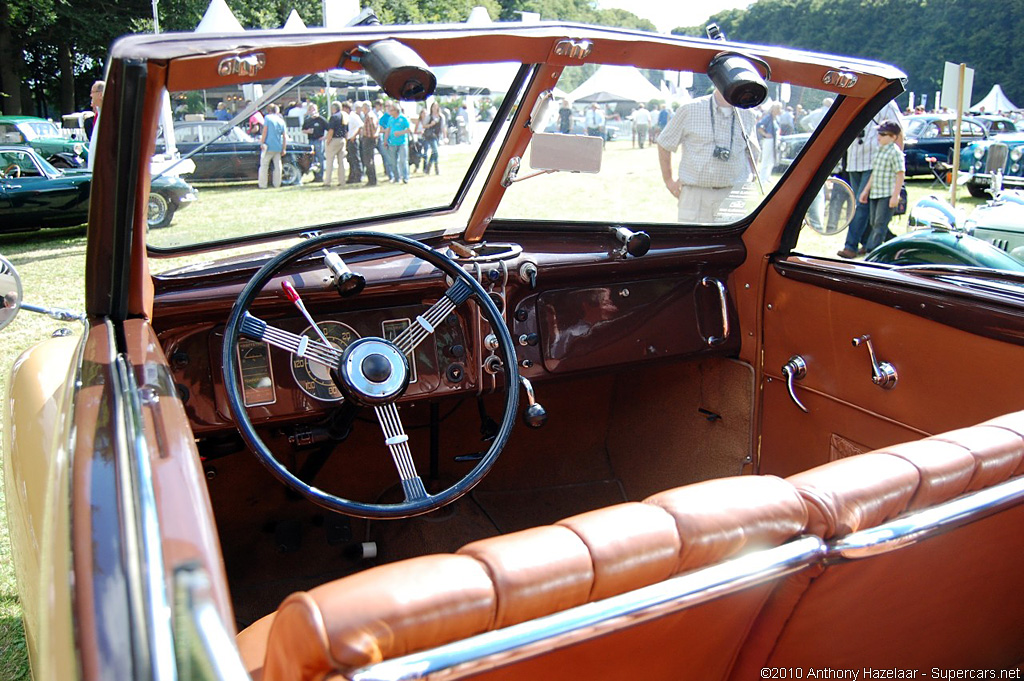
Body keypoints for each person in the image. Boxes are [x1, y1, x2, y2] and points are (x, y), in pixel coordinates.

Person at [657, 87, 760, 223]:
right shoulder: (690, 109)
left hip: (732, 197)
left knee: (729, 244)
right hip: (695, 196)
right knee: (693, 243)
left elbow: (753, 151)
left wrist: (750, 176)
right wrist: (669, 181)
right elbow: (664, 143)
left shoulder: (748, 114)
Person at [837, 99, 904, 258]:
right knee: (863, 205)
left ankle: (850, 246)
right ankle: (872, 243)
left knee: (861, 206)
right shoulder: (853, 101)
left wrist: (897, 158)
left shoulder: (887, 104)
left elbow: (899, 132)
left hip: (873, 162)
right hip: (854, 161)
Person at [858, 120, 905, 252]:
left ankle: (872, 250)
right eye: (879, 133)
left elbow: (900, 174)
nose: (879, 137)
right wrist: (866, 190)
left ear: (893, 137)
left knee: (880, 224)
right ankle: (896, 244)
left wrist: (895, 196)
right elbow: (875, 172)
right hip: (876, 192)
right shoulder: (880, 150)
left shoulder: (895, 153)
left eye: (883, 134)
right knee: (874, 222)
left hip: (887, 194)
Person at [258, 103, 287, 189]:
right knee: (277, 166)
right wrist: (284, 148)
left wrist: (262, 142)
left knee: (264, 165)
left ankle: (263, 184)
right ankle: (277, 183)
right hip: (278, 146)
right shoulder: (281, 121)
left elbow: (265, 131)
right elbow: (284, 136)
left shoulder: (267, 118)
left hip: (268, 145)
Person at [322, 101, 347, 187]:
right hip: (342, 139)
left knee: (330, 161)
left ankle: (327, 181)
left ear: (333, 108)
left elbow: (331, 130)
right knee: (341, 162)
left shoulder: (334, 117)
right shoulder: (344, 116)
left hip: (334, 139)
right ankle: (342, 180)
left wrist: (328, 140)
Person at [756, 102, 782, 183]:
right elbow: (759, 126)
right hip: (768, 141)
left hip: (774, 141)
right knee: (766, 159)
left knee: (771, 160)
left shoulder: (776, 119)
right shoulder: (768, 118)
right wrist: (765, 134)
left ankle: (767, 177)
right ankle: (762, 178)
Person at [386, 102, 411, 184]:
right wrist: (385, 140)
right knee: (393, 161)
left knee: (403, 160)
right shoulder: (390, 119)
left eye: (391, 110)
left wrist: (400, 133)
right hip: (392, 143)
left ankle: (405, 177)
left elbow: (409, 130)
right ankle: (397, 178)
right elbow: (388, 129)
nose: (390, 112)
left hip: (402, 142)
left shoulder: (403, 118)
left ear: (396, 110)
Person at [301, 102, 327, 183]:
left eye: (314, 109)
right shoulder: (308, 120)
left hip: (318, 141)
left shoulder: (321, 119)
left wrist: (324, 137)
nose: (313, 111)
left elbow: (330, 129)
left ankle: (320, 176)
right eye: (311, 109)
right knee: (313, 159)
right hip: (311, 140)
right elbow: (303, 130)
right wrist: (307, 131)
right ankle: (315, 176)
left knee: (320, 158)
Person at [359, 102, 378, 186]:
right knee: (368, 159)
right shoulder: (370, 115)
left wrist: (373, 136)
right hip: (368, 138)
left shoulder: (369, 116)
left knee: (368, 160)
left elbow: (374, 127)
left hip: (369, 139)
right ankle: (371, 179)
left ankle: (372, 180)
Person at [87, 80, 104, 171]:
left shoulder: (108, 116)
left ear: (101, 95)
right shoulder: (99, 113)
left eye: (92, 92)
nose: (90, 95)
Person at [422, 101, 443, 174]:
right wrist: (431, 124)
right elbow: (424, 126)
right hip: (430, 136)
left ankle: (428, 168)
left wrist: (445, 136)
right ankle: (437, 169)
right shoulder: (429, 116)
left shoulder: (441, 117)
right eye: (433, 107)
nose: (435, 108)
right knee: (435, 151)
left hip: (437, 136)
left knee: (434, 152)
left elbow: (443, 127)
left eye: (436, 106)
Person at [343, 102, 362, 183]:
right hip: (349, 140)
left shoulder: (353, 116)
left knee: (355, 159)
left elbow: (360, 126)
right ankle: (352, 176)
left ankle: (358, 176)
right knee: (350, 159)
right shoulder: (347, 117)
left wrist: (354, 136)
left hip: (353, 140)